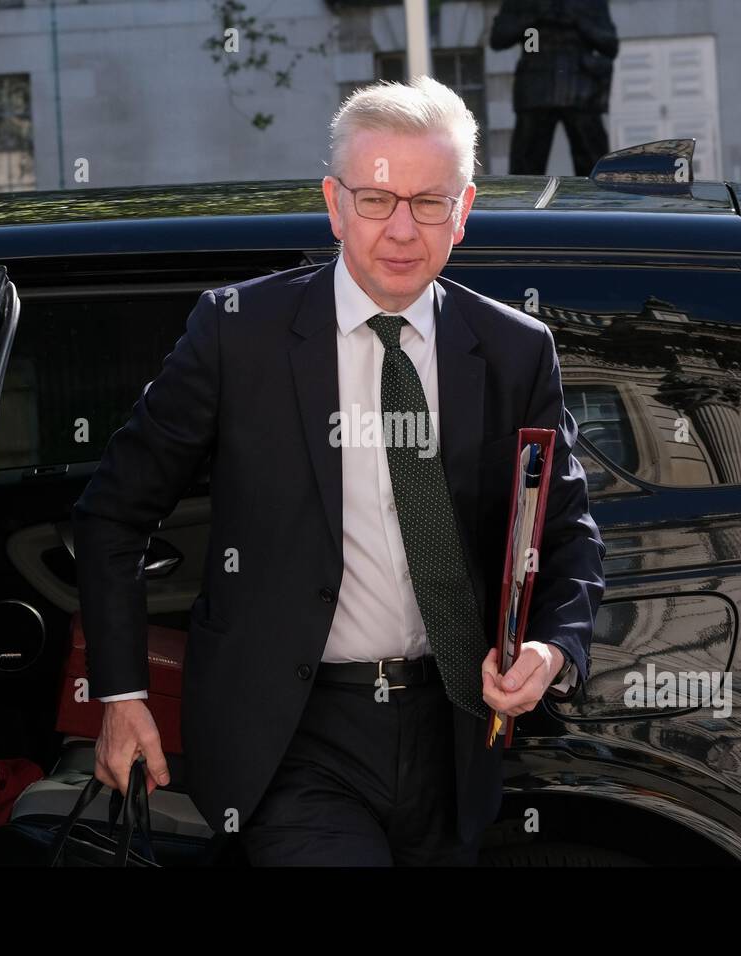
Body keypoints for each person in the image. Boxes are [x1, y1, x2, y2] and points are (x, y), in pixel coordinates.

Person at [71, 76, 605, 865]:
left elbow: (567, 537)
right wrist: (122, 697)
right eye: (376, 199)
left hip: (453, 732)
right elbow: (113, 514)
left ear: (463, 212)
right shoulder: (238, 336)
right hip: (291, 738)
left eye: (429, 202)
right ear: (334, 203)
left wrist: (552, 650)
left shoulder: (514, 350)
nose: (401, 229)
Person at [490, 0, 619, 175]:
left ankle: (598, 202)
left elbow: (610, 45)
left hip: (579, 88)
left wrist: (578, 20)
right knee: (526, 167)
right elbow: (498, 38)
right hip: (536, 88)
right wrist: (534, 16)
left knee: (593, 164)